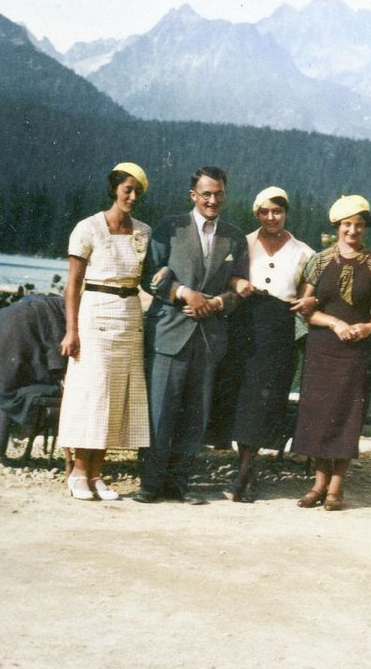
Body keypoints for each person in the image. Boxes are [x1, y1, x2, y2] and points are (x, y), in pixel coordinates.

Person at [135, 166, 249, 504]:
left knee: (195, 415)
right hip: (170, 332)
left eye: (219, 194)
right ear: (193, 195)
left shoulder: (234, 236)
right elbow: (149, 277)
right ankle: (150, 484)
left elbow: (239, 286)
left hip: (209, 337)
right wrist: (184, 293)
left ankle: (179, 486)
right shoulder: (170, 227)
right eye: (206, 194)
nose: (213, 200)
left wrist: (216, 303)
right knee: (161, 411)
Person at [292, 195, 371, 511]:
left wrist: (369, 327)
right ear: (337, 227)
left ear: (365, 227)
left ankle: (336, 489)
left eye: (358, 225)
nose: (352, 231)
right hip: (322, 348)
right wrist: (335, 322)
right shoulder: (320, 261)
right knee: (319, 415)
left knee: (346, 416)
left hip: (355, 351)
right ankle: (318, 484)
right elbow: (305, 309)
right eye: (346, 225)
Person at [58, 162, 151, 501]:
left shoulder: (143, 231)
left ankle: (97, 474)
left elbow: (151, 280)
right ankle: (78, 472)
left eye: (138, 191)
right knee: (92, 394)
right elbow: (72, 285)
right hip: (94, 315)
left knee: (116, 398)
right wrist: (72, 331)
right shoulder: (88, 228)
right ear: (114, 189)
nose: (132, 196)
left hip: (129, 316)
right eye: (127, 189)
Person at [221, 187, 316, 502]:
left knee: (265, 398)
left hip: (278, 327)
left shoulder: (303, 251)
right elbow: (227, 277)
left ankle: (246, 472)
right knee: (243, 395)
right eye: (265, 212)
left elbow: (308, 291)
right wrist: (238, 283)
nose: (271, 217)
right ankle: (244, 469)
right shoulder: (244, 242)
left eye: (277, 211)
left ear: (286, 213)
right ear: (256, 213)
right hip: (245, 323)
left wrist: (304, 301)